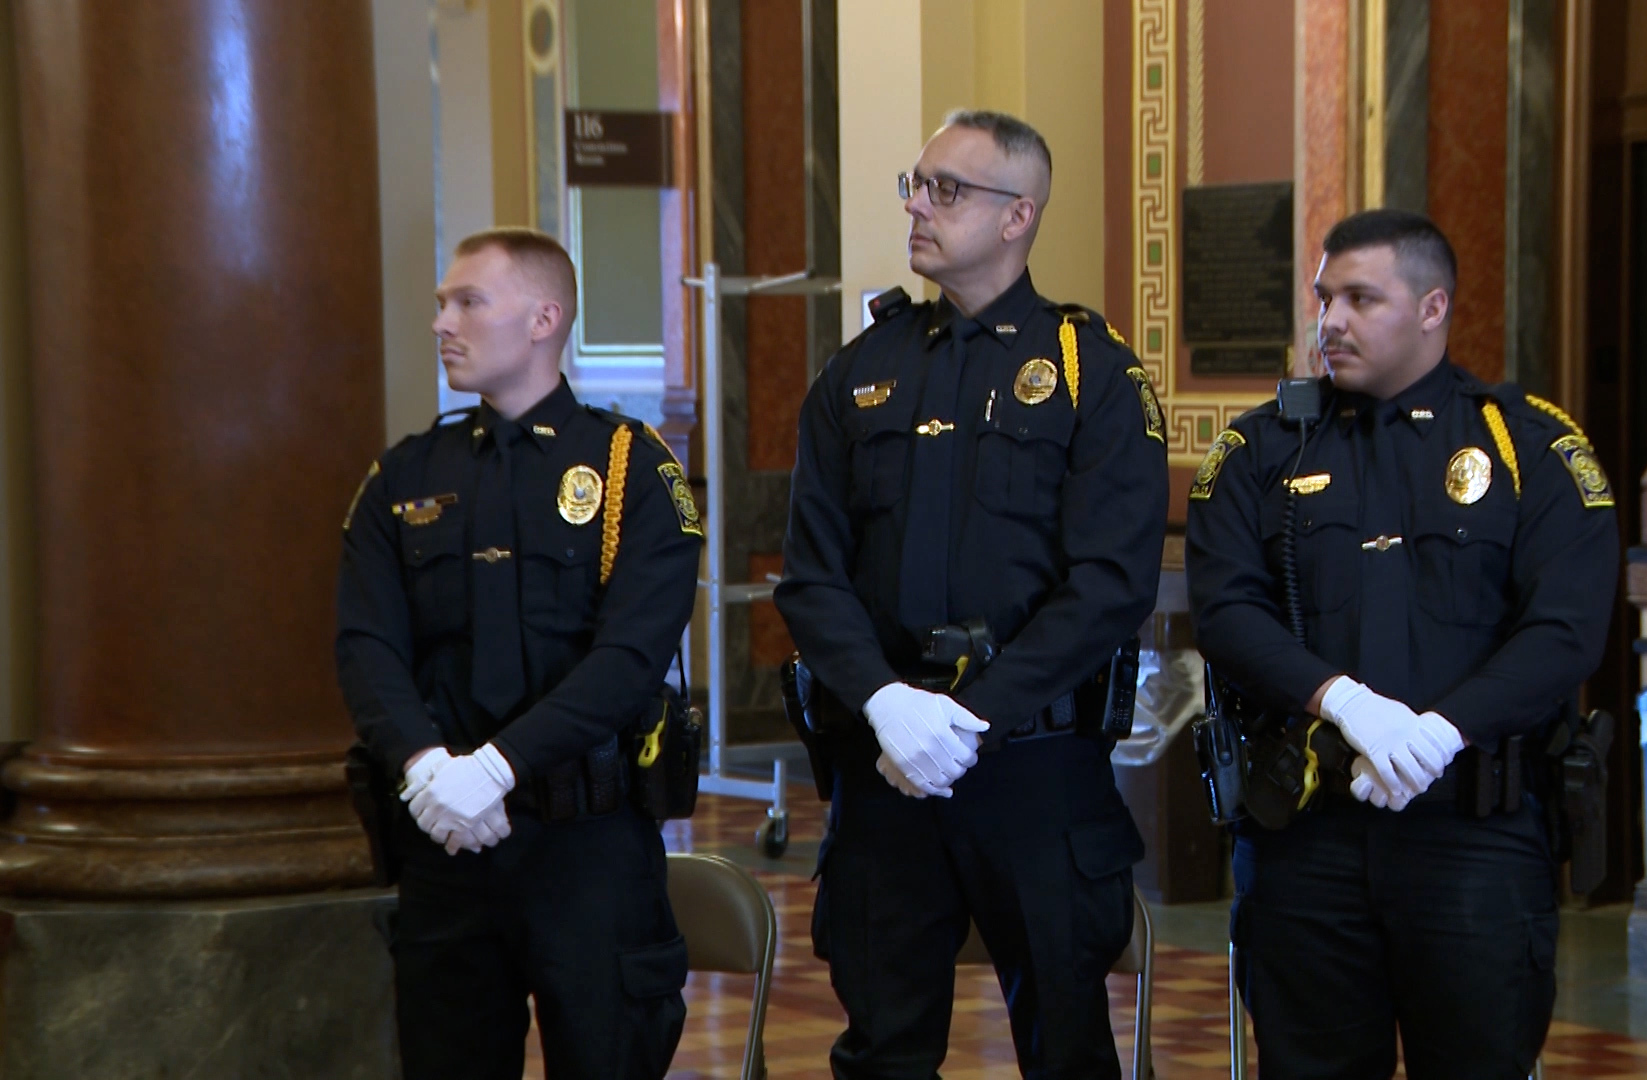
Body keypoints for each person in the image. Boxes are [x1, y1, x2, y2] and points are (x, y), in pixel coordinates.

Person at [774, 110, 1169, 1079]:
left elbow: (1112, 585)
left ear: (1016, 215)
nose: (918, 205)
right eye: (915, 183)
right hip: (883, 760)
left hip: (1031, 765)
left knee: (1066, 1043)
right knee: (881, 1044)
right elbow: (810, 575)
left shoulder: (1092, 372)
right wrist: (886, 703)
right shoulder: (859, 370)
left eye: (947, 189)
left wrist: (968, 719)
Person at [1184, 209, 1619, 1079]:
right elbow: (1227, 611)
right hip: (1306, 834)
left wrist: (1444, 729)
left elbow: (1566, 630)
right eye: (1323, 297)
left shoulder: (1527, 443)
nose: (1330, 321)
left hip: (1475, 835)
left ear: (1432, 308)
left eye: (1359, 298)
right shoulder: (1259, 448)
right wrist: (1340, 701)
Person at [336, 228, 701, 1080]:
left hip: (587, 845)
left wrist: (497, 768)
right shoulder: (404, 477)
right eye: (440, 304)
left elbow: (628, 660)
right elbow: (366, 643)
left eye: (468, 301)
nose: (442, 323)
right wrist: (429, 767)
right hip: (446, 845)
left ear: (544, 318)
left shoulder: (629, 470)